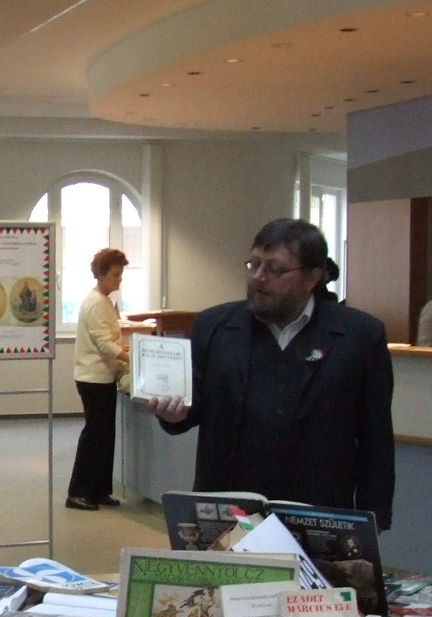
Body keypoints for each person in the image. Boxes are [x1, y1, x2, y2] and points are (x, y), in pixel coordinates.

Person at [150, 217, 395, 524]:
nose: (259, 277)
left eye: (275, 269)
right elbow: (191, 406)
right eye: (254, 264)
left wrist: (374, 518)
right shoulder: (214, 327)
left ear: (312, 277)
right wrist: (173, 414)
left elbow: (375, 438)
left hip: (317, 511)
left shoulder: (360, 336)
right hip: (229, 509)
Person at [66, 247, 130, 511]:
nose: (119, 280)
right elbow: (104, 343)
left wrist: (123, 353)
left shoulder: (104, 301)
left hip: (103, 377)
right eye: (115, 275)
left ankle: (99, 489)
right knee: (94, 435)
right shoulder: (95, 303)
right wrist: (131, 358)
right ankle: (78, 492)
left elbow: (110, 339)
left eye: (121, 275)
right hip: (93, 379)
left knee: (105, 436)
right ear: (101, 274)